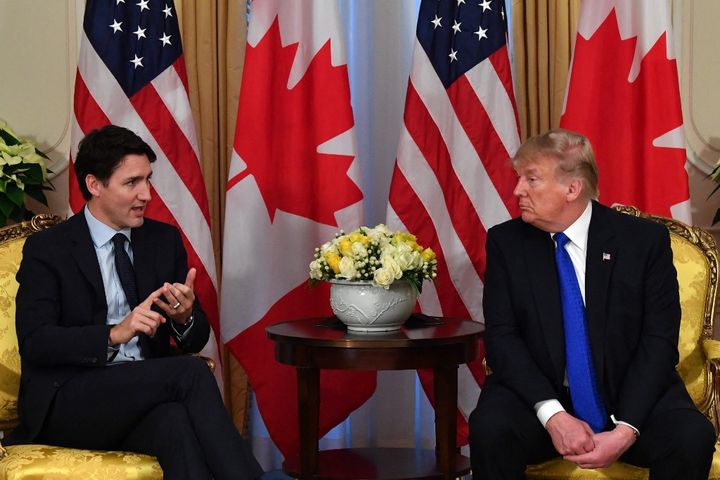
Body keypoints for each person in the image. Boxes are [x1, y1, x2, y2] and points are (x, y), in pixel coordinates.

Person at [7, 125, 263, 480]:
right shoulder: (49, 249)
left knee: (173, 424)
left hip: (142, 395)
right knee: (189, 373)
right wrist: (113, 334)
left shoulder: (162, 241)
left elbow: (195, 337)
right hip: (71, 401)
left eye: (148, 180)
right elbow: (37, 342)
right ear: (94, 185)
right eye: (132, 183)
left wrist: (185, 317)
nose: (146, 194)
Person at [468, 129, 716, 479]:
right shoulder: (507, 243)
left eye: (532, 179)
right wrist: (554, 416)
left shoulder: (643, 243)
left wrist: (625, 429)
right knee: (490, 429)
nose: (517, 190)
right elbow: (502, 338)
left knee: (691, 437)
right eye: (519, 178)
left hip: (630, 395)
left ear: (572, 189)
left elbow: (658, 341)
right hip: (542, 399)